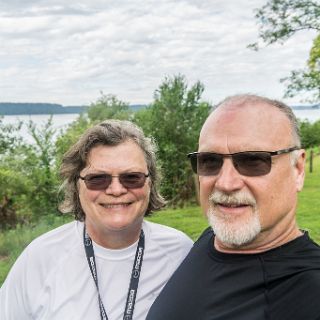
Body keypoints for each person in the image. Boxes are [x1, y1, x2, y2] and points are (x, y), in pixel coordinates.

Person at [146, 94, 320, 320]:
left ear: (297, 169)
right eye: (210, 161)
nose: (226, 183)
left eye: (253, 161)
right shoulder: (213, 237)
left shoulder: (310, 294)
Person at [0, 119, 193, 320]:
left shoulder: (180, 252)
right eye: (98, 179)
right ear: (76, 187)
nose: (116, 190)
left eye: (132, 177)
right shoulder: (40, 259)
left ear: (150, 184)